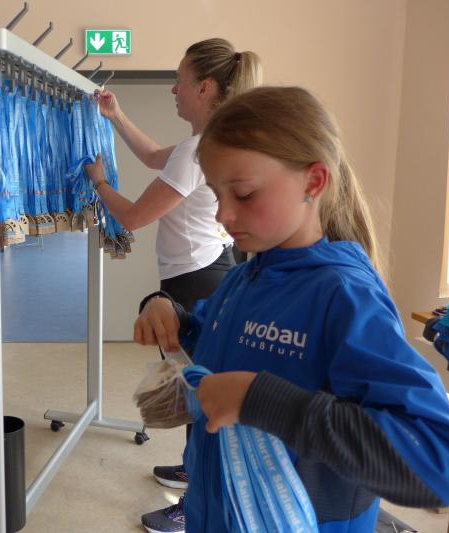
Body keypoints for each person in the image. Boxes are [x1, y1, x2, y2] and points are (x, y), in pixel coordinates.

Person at [133, 86, 449, 532]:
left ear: (313, 182)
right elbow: (217, 344)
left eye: (243, 194)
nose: (222, 215)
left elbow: (443, 468)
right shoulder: (242, 278)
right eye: (216, 194)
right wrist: (169, 315)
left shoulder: (345, 297)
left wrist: (264, 402)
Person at [84, 38, 262, 531]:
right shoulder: (206, 145)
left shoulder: (195, 151)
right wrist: (116, 115)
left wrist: (99, 182)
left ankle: (193, 501)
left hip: (196, 283)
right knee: (196, 386)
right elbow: (151, 157)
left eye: (180, 81)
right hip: (211, 272)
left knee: (199, 393)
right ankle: (190, 469)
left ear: (204, 88)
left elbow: (133, 218)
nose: (173, 89)